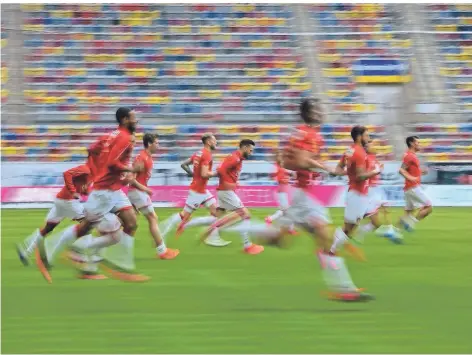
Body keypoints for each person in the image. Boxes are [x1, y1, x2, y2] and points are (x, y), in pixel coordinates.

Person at [229, 99, 373, 302]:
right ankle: (344, 289)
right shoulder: (311, 135)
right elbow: (303, 162)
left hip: (302, 193)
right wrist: (325, 168)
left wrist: (314, 165)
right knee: (325, 240)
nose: (322, 112)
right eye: (319, 109)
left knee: (280, 240)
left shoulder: (297, 133)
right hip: (307, 195)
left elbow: (289, 162)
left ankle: (233, 228)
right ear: (312, 113)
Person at [35, 107, 149, 283]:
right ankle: (53, 249)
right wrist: (130, 168)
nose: (137, 121)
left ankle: (122, 264)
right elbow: (112, 163)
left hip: (114, 189)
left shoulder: (112, 135)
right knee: (85, 228)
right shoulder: (124, 137)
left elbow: (93, 149)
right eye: (134, 118)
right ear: (125, 120)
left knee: (131, 222)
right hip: (104, 191)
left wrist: (98, 170)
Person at [15, 162, 105, 280]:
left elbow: (83, 189)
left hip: (60, 201)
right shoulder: (85, 169)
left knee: (47, 229)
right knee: (87, 225)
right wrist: (73, 191)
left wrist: (87, 192)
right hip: (68, 202)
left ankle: (25, 252)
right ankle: (81, 257)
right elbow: (67, 173)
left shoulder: (92, 175)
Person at [160, 133, 230, 247]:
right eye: (214, 140)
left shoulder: (198, 153)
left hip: (202, 190)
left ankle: (212, 238)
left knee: (216, 213)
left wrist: (192, 174)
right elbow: (204, 174)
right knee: (183, 216)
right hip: (197, 192)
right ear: (208, 142)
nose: (216, 142)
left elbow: (183, 164)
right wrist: (217, 173)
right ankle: (165, 228)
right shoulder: (207, 155)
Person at [199, 139, 265, 255]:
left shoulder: (237, 158)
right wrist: (230, 184)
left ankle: (209, 233)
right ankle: (247, 245)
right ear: (244, 147)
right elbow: (221, 170)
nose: (251, 152)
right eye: (250, 150)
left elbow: (223, 170)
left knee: (218, 214)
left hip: (224, 191)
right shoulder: (235, 158)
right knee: (245, 214)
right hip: (226, 191)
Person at [127, 133, 180, 259]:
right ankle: (162, 251)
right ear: (149, 144)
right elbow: (130, 178)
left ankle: (104, 239)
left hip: (137, 192)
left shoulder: (148, 158)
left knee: (129, 222)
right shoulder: (142, 158)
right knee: (152, 218)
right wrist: (145, 189)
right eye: (156, 143)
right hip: (137, 192)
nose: (158, 145)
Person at [355, 140, 402, 244]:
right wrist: (376, 170)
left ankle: (388, 230)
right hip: (370, 190)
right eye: (372, 145)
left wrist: (378, 168)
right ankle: (386, 231)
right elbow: (363, 174)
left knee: (385, 208)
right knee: (375, 219)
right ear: (366, 148)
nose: (374, 147)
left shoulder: (373, 158)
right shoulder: (365, 159)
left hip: (376, 188)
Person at [397, 135, 432, 231]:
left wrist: (421, 172)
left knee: (408, 214)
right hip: (413, 187)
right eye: (417, 142)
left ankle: (393, 231)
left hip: (409, 188)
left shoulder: (411, 156)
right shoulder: (409, 156)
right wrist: (411, 178)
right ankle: (410, 224)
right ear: (412, 143)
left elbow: (410, 171)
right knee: (428, 207)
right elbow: (401, 170)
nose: (419, 144)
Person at [264, 150, 296, 235]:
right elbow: (273, 175)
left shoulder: (282, 167)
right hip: (282, 191)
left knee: (286, 211)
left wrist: (289, 174)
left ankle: (288, 228)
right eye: (280, 156)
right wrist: (283, 177)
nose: (281, 157)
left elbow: (290, 174)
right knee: (287, 210)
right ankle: (271, 219)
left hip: (284, 191)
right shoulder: (277, 167)